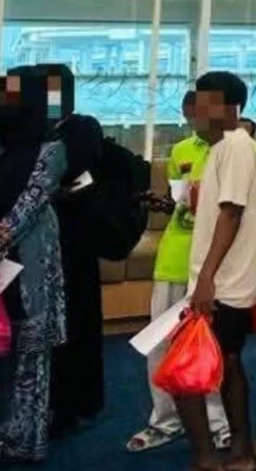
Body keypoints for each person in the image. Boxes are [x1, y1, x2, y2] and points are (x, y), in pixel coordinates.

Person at [128, 91, 231, 453]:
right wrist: (168, 205)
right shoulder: (182, 150)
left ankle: (219, 423)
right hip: (174, 258)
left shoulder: (240, 152)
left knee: (210, 346)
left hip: (215, 265)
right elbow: (180, 204)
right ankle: (165, 421)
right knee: (161, 344)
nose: (192, 124)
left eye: (196, 116)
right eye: (188, 117)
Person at [175, 71, 256, 471]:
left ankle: (208, 457)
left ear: (229, 107)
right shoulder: (223, 148)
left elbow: (232, 214)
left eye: (204, 102)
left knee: (184, 374)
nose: (195, 111)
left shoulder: (236, 148)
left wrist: (207, 279)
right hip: (224, 282)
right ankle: (240, 453)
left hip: (224, 284)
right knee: (228, 365)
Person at [0, 66, 67, 463]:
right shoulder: (4, 144)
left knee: (31, 354)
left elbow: (30, 203)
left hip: (29, 265)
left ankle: (28, 439)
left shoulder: (51, 148)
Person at [40, 63, 108, 436]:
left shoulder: (81, 128)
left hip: (75, 243)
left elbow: (66, 174)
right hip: (41, 243)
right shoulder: (33, 131)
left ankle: (74, 405)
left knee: (75, 324)